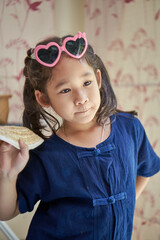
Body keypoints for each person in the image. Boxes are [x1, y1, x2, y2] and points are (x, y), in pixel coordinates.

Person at [0, 31, 159, 240]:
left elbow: (146, 169)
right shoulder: (45, 154)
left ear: (98, 78)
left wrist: (127, 202)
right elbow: (7, 212)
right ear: (43, 98)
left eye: (86, 83)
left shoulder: (130, 128)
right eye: (65, 90)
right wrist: (7, 175)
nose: (81, 98)